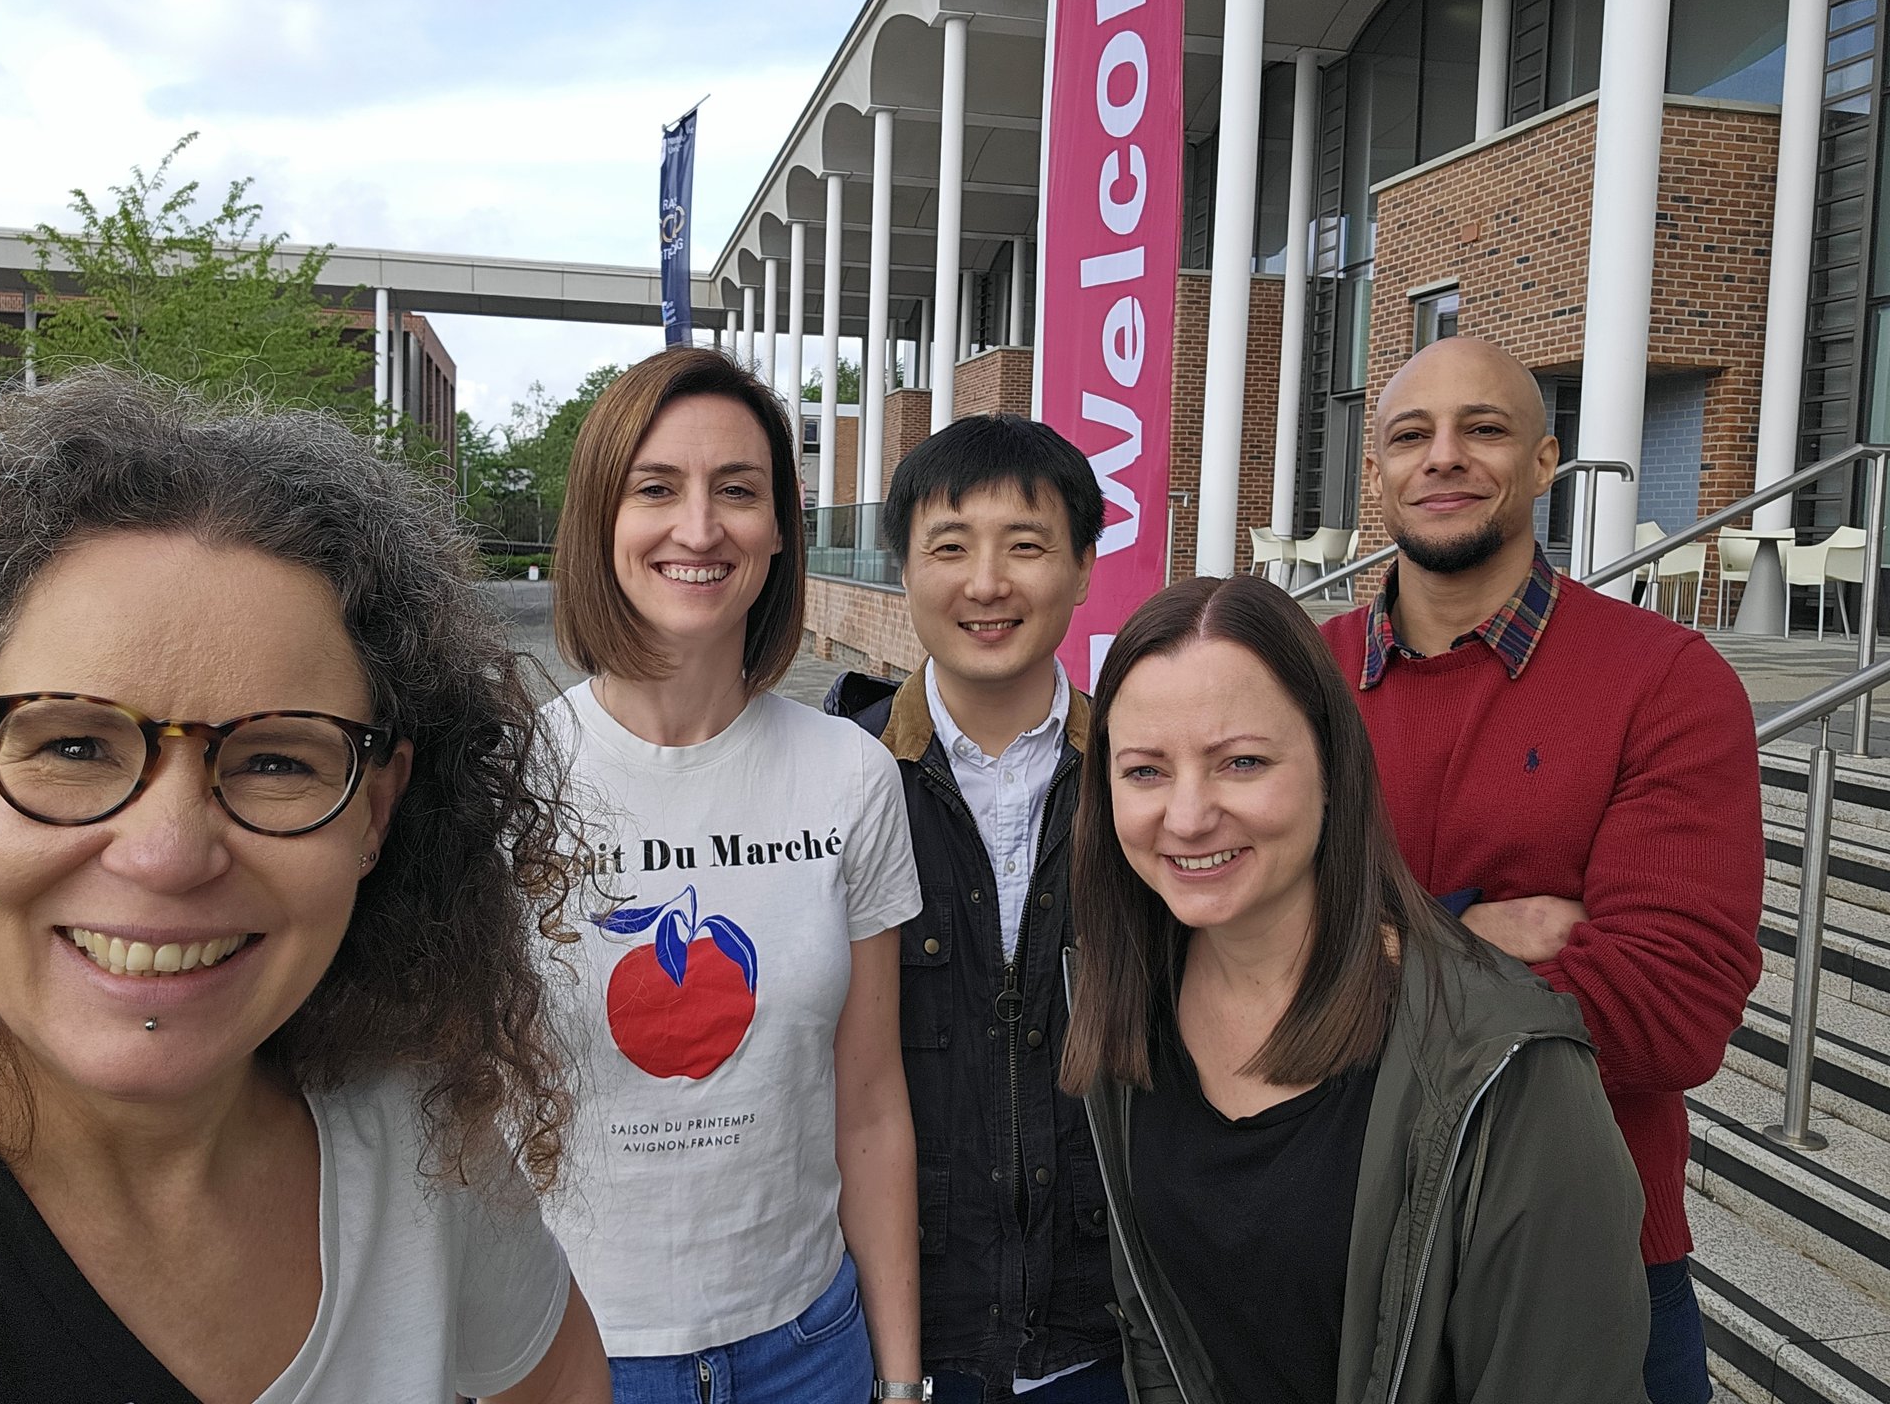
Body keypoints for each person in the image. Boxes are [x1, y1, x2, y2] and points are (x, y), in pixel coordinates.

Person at [0, 377, 609, 1403]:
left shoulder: (417, 1137)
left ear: (376, 813)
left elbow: (556, 1381)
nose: (166, 853)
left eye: (279, 762)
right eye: (72, 743)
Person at [1062, 574, 1649, 1404]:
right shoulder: (1122, 1001)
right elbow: (1160, 1335)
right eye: (1146, 772)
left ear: (1333, 766)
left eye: (1241, 762)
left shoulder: (1507, 1071)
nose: (1188, 816)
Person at [1320, 336, 1764, 1404]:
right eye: (1408, 436)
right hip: (1326, 1226)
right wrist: (1469, 936)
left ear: (1542, 461)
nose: (1443, 458)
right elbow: (1211, 954)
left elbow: (1667, 1009)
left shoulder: (1664, 682)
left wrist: (1349, 964)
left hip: (1586, 1238)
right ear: (1373, 473)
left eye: (1482, 429)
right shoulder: (1297, 678)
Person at [543, 346, 926, 1403]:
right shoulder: (507, 785)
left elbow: (869, 1101)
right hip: (567, 1351)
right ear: (598, 521)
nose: (700, 528)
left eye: (739, 492)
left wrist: (898, 1381)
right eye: (656, 488)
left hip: (809, 1350)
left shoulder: (850, 774)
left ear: (776, 532)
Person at [824, 414, 1124, 1404]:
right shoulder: (835, 783)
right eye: (947, 548)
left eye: (1026, 546)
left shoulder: (1147, 780)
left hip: (1110, 1337)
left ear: (1082, 566)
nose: (985, 584)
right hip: (901, 1341)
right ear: (902, 570)